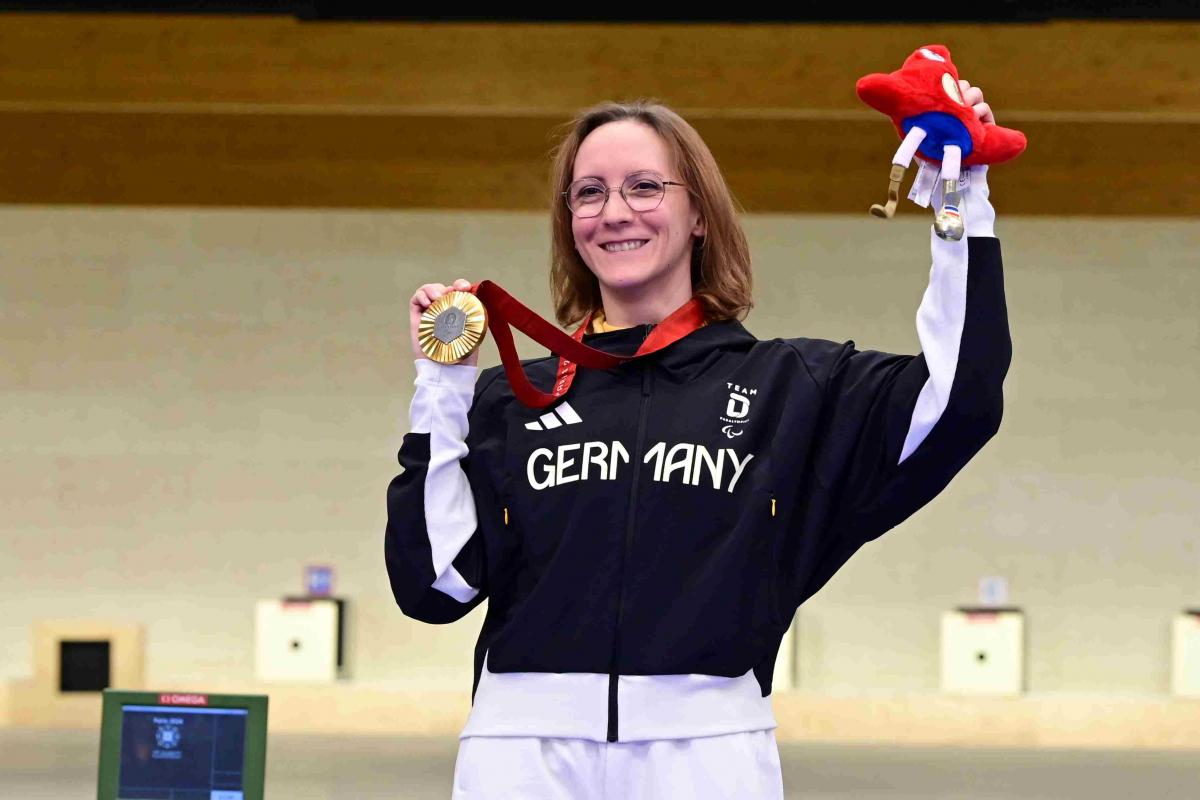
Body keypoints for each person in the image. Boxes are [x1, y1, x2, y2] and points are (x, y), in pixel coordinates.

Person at [386, 85, 1010, 799]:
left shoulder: (793, 388)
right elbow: (434, 586)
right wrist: (442, 391)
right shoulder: (509, 399)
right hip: (522, 754)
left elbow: (959, 400)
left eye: (644, 187)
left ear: (700, 215)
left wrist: (960, 200)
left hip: (708, 755)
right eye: (588, 193)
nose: (614, 212)